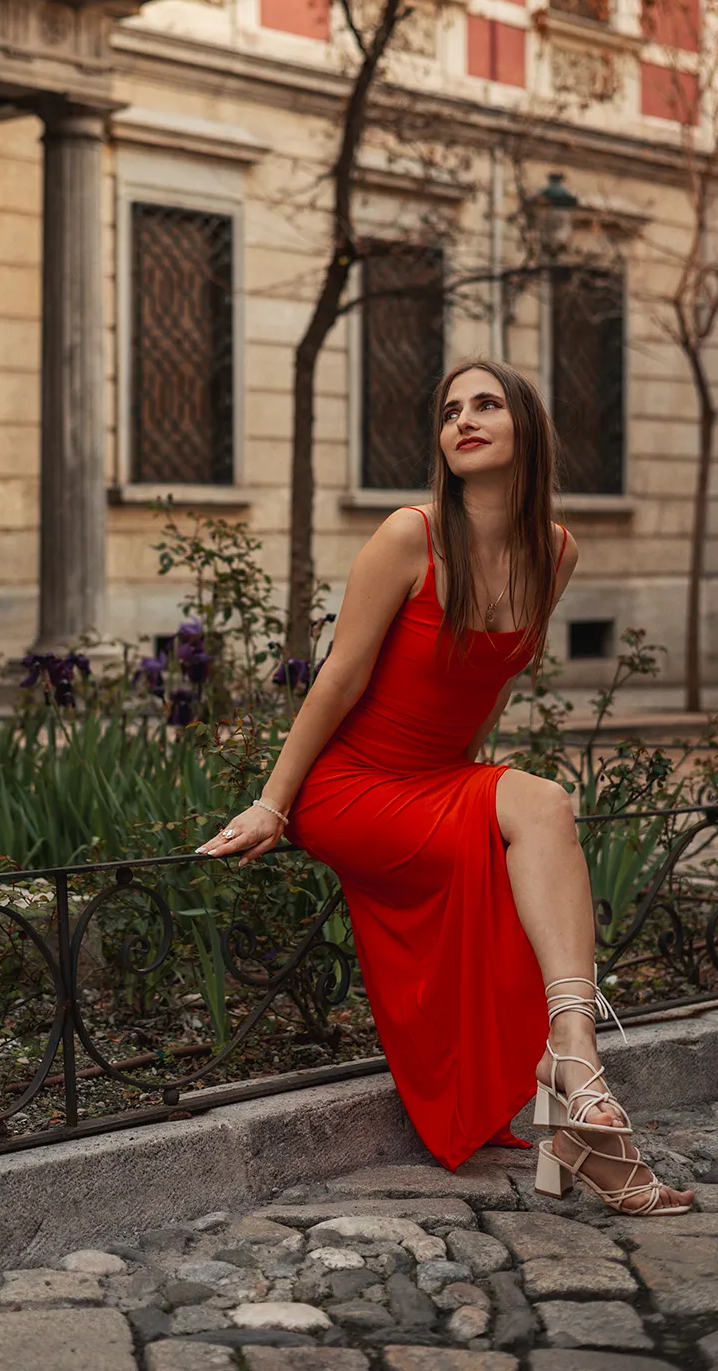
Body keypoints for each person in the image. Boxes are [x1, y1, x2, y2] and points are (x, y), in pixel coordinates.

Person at [198, 359, 692, 1216]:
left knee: (531, 820)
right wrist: (274, 802)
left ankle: (578, 1093)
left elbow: (491, 686)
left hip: (436, 781)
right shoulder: (408, 536)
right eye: (450, 409)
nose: (463, 419)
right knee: (542, 803)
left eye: (487, 404)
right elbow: (338, 680)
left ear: (526, 428)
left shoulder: (555, 552)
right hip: (350, 788)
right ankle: (572, 1065)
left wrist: (472, 787)